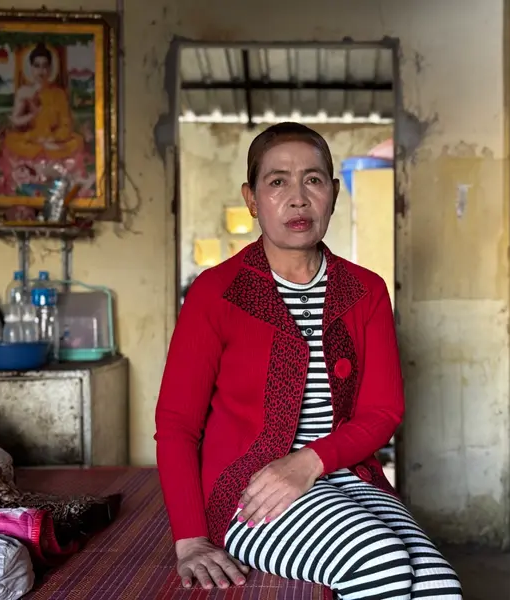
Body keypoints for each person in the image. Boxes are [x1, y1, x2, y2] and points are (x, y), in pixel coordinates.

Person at [155, 122, 463, 599]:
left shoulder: (366, 290)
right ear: (252, 199)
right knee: (381, 562)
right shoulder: (217, 293)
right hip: (249, 492)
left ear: (333, 194)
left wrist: (309, 462)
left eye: (313, 180)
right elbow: (177, 424)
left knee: (440, 584)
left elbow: (383, 412)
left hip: (345, 474)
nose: (297, 198)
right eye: (277, 181)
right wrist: (190, 539)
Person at [3, 42, 85, 160]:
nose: (41, 70)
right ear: (31, 68)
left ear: (51, 68)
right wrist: (32, 115)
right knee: (11, 141)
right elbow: (16, 121)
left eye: (45, 65)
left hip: (53, 139)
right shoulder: (24, 91)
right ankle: (45, 151)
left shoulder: (59, 93)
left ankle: (47, 150)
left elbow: (66, 124)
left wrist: (53, 138)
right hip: (32, 138)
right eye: (37, 65)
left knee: (77, 141)